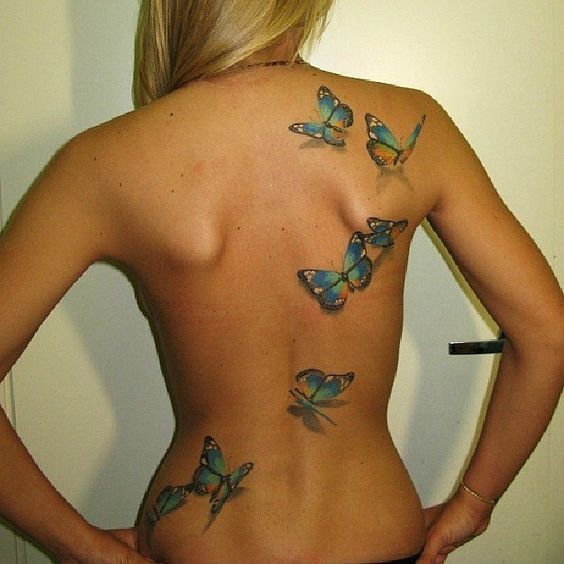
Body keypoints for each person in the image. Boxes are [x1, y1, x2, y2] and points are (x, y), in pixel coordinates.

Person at [0, 0, 562, 562]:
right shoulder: (416, 122)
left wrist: (82, 550)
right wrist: (474, 503)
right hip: (374, 535)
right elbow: (549, 334)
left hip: (206, 545)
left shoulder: (101, 164)